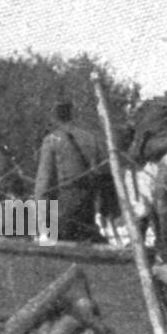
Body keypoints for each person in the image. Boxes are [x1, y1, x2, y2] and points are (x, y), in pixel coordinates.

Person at [31, 100, 109, 241]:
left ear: (53, 117)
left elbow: (44, 181)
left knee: (57, 245)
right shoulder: (90, 138)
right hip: (88, 201)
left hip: (65, 201)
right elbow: (100, 172)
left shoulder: (52, 139)